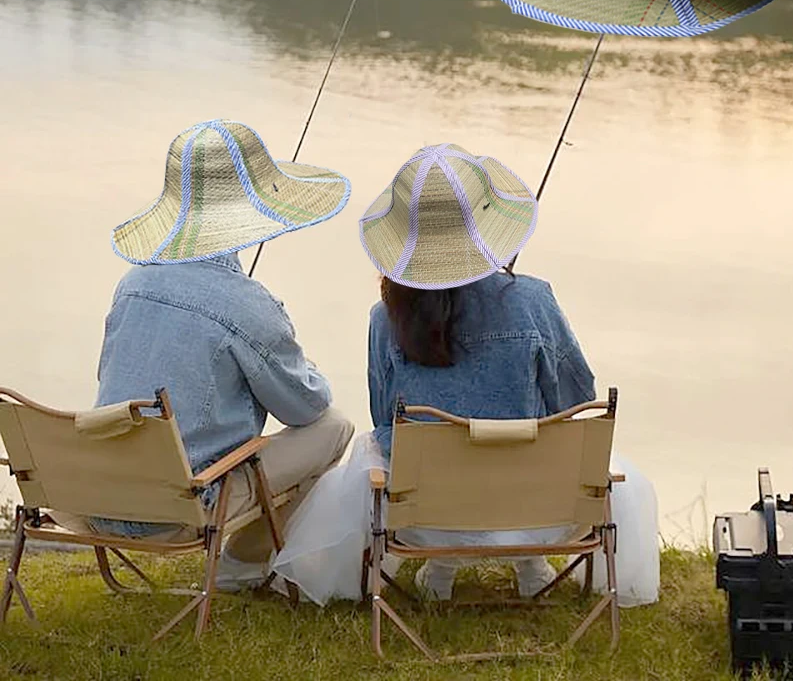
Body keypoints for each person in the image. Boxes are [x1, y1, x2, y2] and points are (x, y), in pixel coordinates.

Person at [273, 143, 659, 606]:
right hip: (541, 512)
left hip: (422, 520)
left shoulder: (386, 318)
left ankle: (442, 566)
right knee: (562, 437)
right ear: (484, 224)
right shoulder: (534, 300)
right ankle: (530, 563)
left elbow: (386, 419)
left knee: (389, 449)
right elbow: (575, 400)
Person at [86, 118, 355, 592]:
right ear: (255, 215)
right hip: (182, 507)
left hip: (101, 494)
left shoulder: (132, 284)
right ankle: (240, 566)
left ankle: (241, 564)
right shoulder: (248, 304)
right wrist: (292, 356)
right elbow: (306, 408)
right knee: (335, 426)